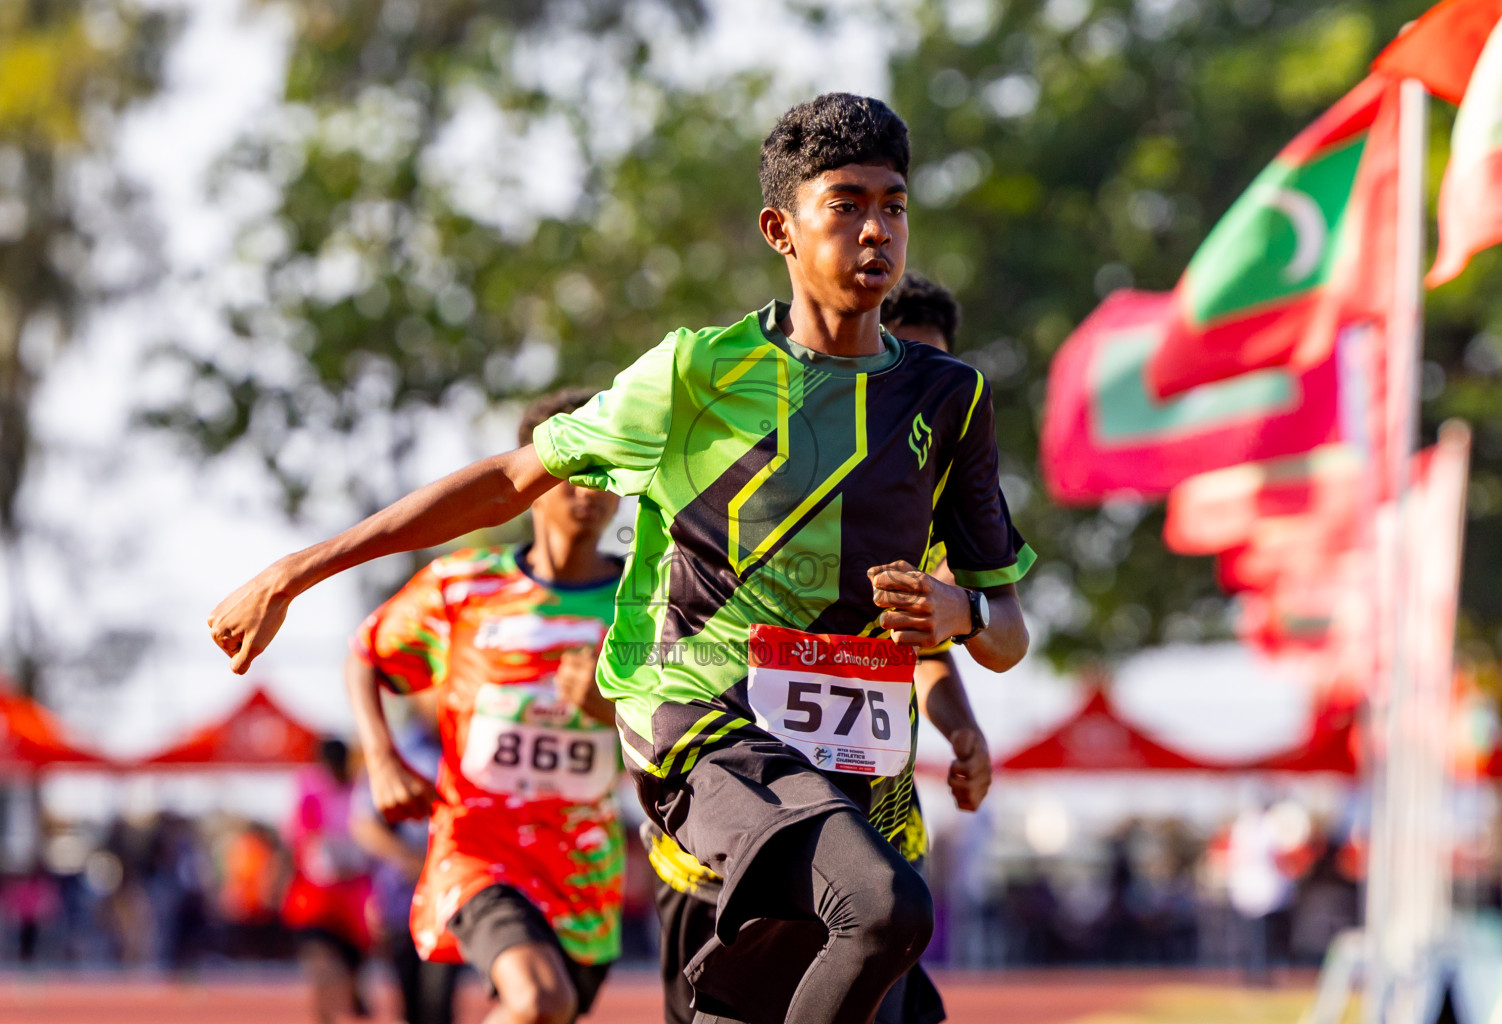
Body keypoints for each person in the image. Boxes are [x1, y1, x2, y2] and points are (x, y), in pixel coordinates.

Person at [209, 92, 1033, 1024]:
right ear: (782, 229)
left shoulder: (952, 400)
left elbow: (1005, 631)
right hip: (698, 718)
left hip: (853, 762)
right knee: (884, 910)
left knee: (863, 979)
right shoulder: (695, 373)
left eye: (894, 204)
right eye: (845, 204)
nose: (877, 229)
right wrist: (296, 570)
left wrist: (963, 619)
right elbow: (506, 479)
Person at [644, 274, 992, 1024]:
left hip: (872, 822)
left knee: (879, 928)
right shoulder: (760, 476)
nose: (916, 403)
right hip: (723, 850)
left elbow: (933, 648)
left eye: (935, 380)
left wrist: (962, 727)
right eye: (905, 370)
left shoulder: (934, 507)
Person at [345, 388, 627, 1024]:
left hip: (583, 867)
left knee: (542, 1010)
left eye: (608, 475)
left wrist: (614, 711)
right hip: (478, 848)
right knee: (538, 1000)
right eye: (574, 473)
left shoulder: (646, 601)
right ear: (530, 478)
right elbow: (365, 653)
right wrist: (381, 759)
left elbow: (680, 726)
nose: (591, 491)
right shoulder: (464, 586)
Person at [349, 700, 463, 1024]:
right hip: (402, 902)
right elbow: (364, 824)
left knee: (440, 999)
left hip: (453, 897)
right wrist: (411, 859)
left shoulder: (470, 748)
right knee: (410, 1001)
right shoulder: (396, 750)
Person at [283, 736, 374, 1024]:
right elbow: (296, 837)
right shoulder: (307, 788)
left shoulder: (360, 790)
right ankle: (324, 1016)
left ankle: (353, 987)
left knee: (350, 963)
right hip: (316, 896)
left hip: (353, 898)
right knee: (321, 964)